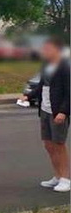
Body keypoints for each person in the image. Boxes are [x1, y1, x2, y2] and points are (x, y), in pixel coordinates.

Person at [22, 37, 70, 193]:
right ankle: (57, 176)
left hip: (58, 110)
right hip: (44, 108)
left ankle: (66, 178)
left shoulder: (65, 67)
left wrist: (63, 111)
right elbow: (42, 85)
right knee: (48, 144)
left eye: (48, 49)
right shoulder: (46, 65)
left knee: (59, 144)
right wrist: (28, 96)